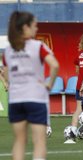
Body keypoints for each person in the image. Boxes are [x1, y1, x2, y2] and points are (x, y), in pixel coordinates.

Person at [2, 11, 59, 160]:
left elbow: (6, 73)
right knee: (39, 142)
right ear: (25, 27)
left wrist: (10, 83)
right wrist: (49, 85)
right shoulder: (38, 46)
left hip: (15, 100)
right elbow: (55, 65)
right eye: (34, 25)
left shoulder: (8, 50)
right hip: (36, 98)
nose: (37, 29)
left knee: (20, 141)